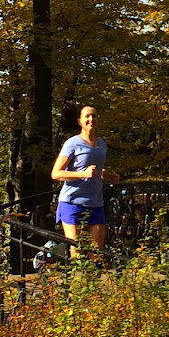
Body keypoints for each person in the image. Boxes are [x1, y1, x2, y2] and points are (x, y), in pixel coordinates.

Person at [51, 105, 120, 257]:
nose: (91, 119)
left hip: (96, 203)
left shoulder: (102, 145)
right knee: (78, 253)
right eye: (87, 116)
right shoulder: (72, 143)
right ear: (80, 121)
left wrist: (108, 175)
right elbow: (56, 173)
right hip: (73, 203)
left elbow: (94, 170)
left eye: (94, 116)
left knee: (96, 254)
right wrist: (83, 174)